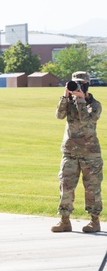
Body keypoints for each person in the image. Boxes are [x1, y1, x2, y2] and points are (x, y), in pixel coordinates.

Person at [52, 71, 102, 233]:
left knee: (92, 188)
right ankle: (64, 220)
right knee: (65, 186)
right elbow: (59, 115)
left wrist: (80, 98)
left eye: (81, 83)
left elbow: (86, 119)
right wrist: (65, 96)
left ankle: (94, 221)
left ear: (87, 84)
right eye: (75, 83)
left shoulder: (94, 104)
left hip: (90, 153)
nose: (78, 85)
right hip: (70, 152)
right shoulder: (69, 102)